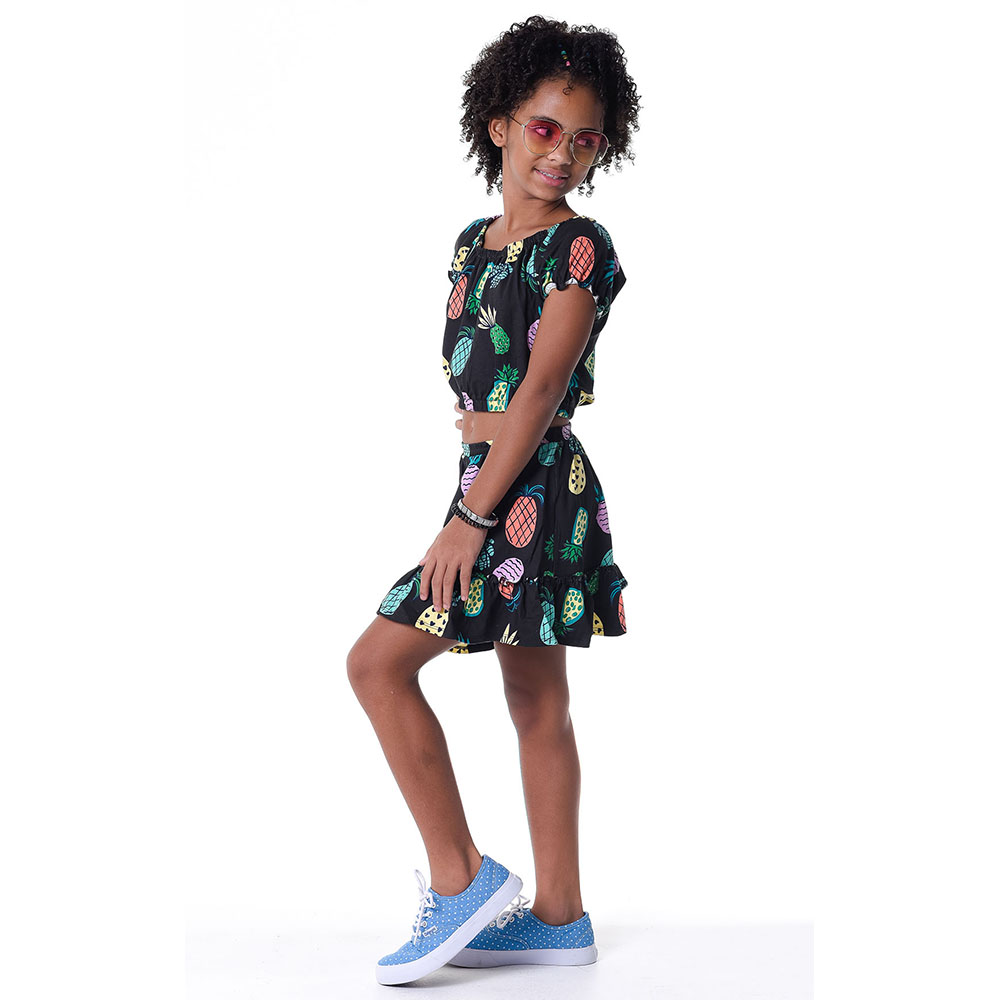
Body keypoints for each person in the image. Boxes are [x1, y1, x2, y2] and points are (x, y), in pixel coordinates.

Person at [346, 15, 641, 986]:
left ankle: (460, 878)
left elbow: (541, 391)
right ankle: (559, 919)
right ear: (501, 124)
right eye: (546, 128)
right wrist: (474, 463)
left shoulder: (578, 248)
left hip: (529, 491)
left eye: (586, 138)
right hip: (495, 478)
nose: (563, 153)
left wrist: (470, 519)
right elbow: (486, 386)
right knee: (535, 698)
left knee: (377, 664)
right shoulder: (473, 245)